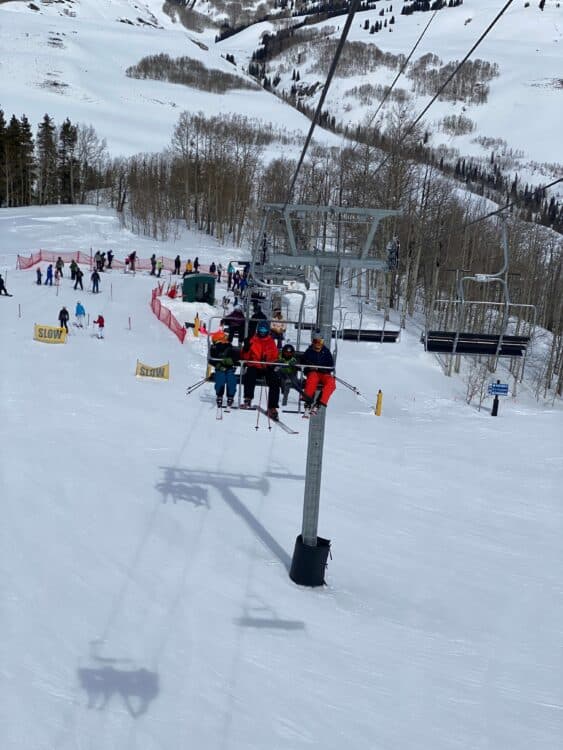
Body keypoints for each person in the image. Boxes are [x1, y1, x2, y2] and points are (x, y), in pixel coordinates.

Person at [240, 321, 280, 419]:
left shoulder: (271, 342)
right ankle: (248, 399)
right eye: (261, 330)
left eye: (264, 330)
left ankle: (272, 407)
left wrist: (270, 363)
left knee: (275, 380)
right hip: (255, 365)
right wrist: (246, 349)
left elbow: (275, 356)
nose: (262, 332)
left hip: (266, 367)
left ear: (267, 331)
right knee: (250, 374)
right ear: (258, 330)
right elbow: (244, 357)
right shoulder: (252, 340)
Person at [301, 330, 336, 413]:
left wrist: (324, 369)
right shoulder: (309, 352)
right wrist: (310, 368)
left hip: (324, 374)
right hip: (313, 373)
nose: (318, 344)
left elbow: (331, 366)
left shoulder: (326, 352)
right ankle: (308, 401)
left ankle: (320, 402)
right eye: (315, 341)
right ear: (312, 342)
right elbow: (303, 363)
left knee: (331, 382)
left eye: (320, 341)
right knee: (312, 379)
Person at [210, 331, 239, 408]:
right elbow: (211, 359)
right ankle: (220, 395)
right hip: (220, 368)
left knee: (231, 379)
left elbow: (236, 357)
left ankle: (230, 396)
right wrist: (218, 364)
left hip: (229, 368)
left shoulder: (230, 348)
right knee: (220, 378)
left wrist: (231, 361)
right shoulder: (214, 348)